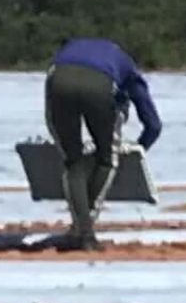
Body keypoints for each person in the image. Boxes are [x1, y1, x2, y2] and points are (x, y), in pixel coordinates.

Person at [43, 38, 161, 252]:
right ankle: (86, 234)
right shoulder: (127, 67)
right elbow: (153, 123)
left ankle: (81, 229)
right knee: (107, 161)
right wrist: (139, 149)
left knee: (73, 163)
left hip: (58, 80)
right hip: (99, 85)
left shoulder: (73, 48)